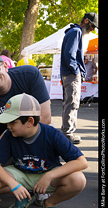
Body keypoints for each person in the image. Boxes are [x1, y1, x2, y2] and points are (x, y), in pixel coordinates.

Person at [0, 93, 87, 208]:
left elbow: (81, 162)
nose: (8, 126)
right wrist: (13, 184)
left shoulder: (52, 134)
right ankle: (26, 196)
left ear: (30, 122)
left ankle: (49, 204)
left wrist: (50, 175)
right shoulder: (10, 135)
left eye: (12, 122)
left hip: (48, 174)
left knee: (78, 180)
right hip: (21, 174)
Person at [0, 52, 51, 207]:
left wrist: (6, 133)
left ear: (5, 66)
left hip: (33, 133)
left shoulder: (29, 75)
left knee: (45, 133)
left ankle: (43, 183)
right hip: (9, 145)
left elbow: (44, 118)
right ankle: (26, 187)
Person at [60, 12, 98, 144]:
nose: (93, 30)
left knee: (69, 103)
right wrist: (77, 71)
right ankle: (67, 133)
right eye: (93, 26)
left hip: (68, 74)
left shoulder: (72, 31)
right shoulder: (76, 32)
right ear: (86, 21)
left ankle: (66, 132)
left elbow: (69, 55)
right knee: (72, 104)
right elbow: (69, 55)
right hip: (71, 74)